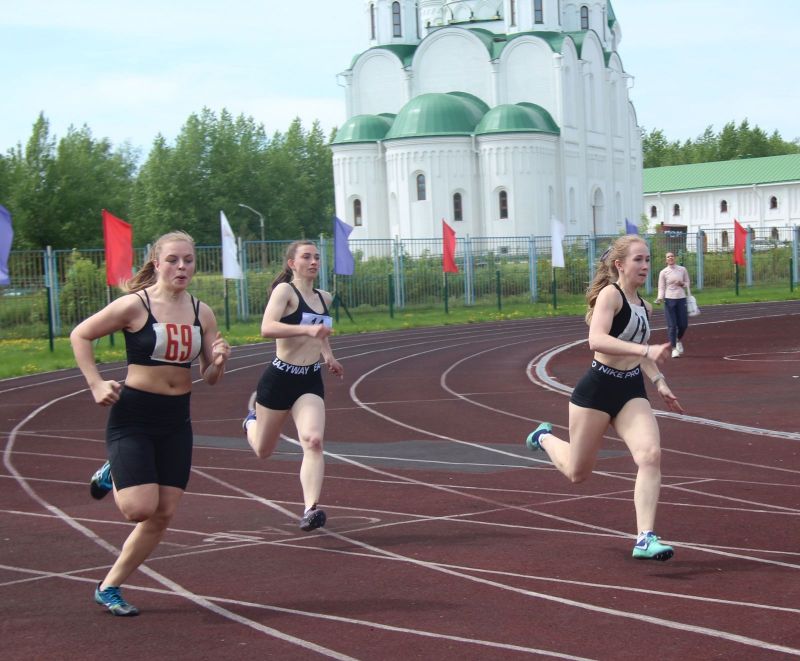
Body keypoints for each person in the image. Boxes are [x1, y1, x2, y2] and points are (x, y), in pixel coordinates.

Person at [71, 231, 230, 616]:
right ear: (156, 263)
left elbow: (208, 377)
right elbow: (81, 334)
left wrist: (219, 361)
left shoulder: (202, 312)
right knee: (138, 509)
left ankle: (109, 586)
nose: (181, 267)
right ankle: (114, 469)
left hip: (176, 420)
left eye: (188, 260)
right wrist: (96, 383)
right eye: (173, 260)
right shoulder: (135, 305)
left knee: (162, 515)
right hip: (134, 416)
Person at [524, 234, 683, 561]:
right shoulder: (610, 296)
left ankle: (645, 538)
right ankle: (543, 438)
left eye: (647, 259)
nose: (645, 265)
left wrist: (659, 382)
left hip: (630, 391)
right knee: (577, 473)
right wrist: (645, 350)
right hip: (597, 390)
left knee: (650, 454)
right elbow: (596, 340)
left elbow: (640, 351)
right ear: (619, 264)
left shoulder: (645, 306)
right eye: (638, 259)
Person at [243, 240, 343, 532]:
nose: (313, 262)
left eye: (316, 257)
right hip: (280, 378)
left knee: (313, 440)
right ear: (292, 263)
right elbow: (267, 328)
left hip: (309, 380)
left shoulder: (325, 297)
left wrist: (328, 356)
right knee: (263, 450)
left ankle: (310, 509)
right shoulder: (285, 291)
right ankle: (250, 423)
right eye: (306, 257)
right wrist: (306, 329)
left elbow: (320, 332)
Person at [655, 251, 691, 358]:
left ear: (675, 258)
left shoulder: (682, 269)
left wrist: (682, 283)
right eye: (668, 257)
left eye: (672, 256)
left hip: (681, 299)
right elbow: (661, 287)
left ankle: (678, 340)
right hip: (669, 299)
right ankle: (674, 349)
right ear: (666, 260)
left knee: (683, 325)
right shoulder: (663, 272)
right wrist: (660, 298)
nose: (670, 258)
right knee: (672, 325)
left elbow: (688, 283)